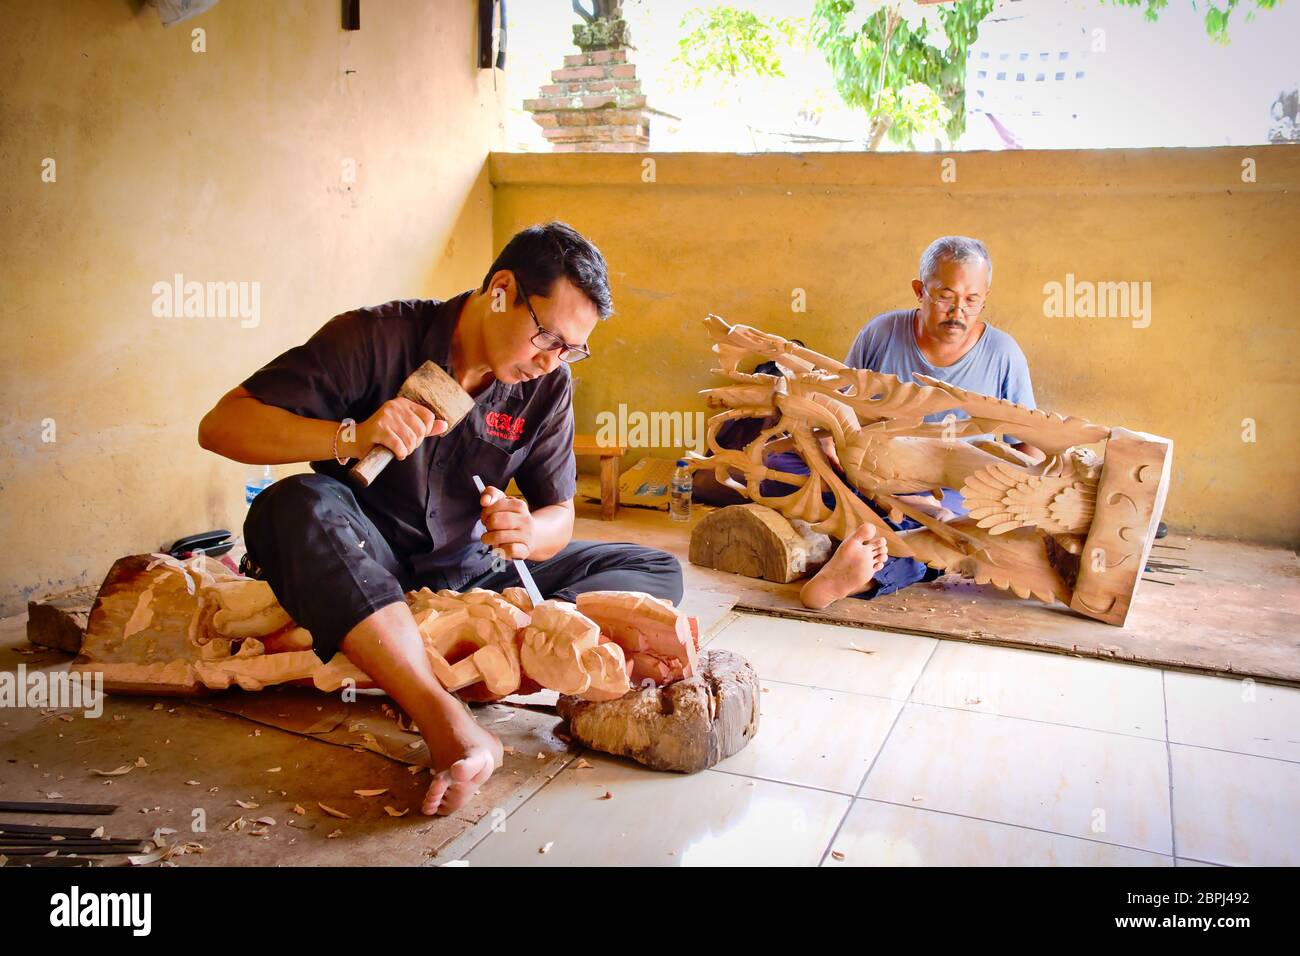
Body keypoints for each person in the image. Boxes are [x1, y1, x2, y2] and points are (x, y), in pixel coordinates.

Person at [198, 222, 683, 816]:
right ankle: (442, 710)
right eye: (547, 336)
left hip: (472, 570)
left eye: (570, 349)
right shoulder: (374, 337)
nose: (551, 360)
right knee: (293, 503)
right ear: (501, 290)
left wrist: (529, 533)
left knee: (652, 568)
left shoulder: (548, 385)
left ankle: (440, 640)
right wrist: (350, 433)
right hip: (365, 557)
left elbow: (559, 512)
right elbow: (221, 426)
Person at [788, 236, 1043, 608]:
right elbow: (838, 410)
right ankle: (862, 540)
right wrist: (828, 449)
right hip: (869, 474)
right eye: (945, 296)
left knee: (942, 542)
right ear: (919, 291)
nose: (958, 311)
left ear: (985, 296)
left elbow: (1028, 448)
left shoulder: (1004, 355)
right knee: (783, 463)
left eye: (972, 300)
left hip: (951, 499)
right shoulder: (881, 333)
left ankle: (855, 577)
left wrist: (1011, 505)